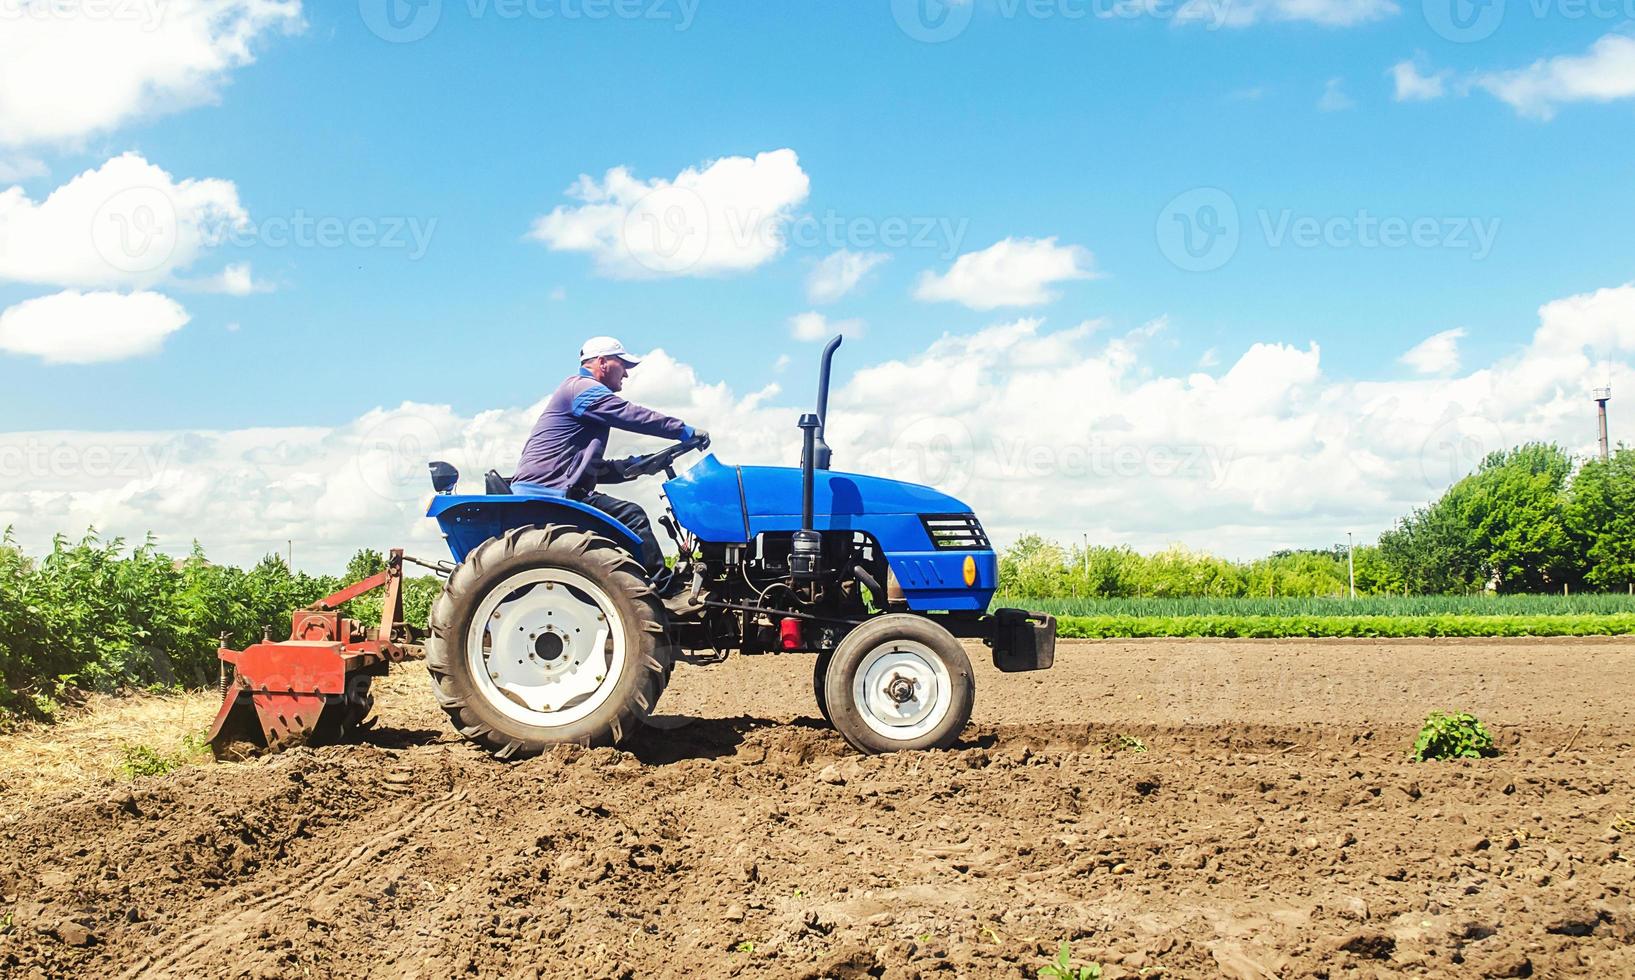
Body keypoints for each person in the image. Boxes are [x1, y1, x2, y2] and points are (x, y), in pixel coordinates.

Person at [511, 336, 706, 570]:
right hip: (551, 492)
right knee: (633, 516)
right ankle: (666, 590)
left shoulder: (579, 394)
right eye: (622, 365)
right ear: (602, 362)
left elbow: (593, 468)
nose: (626, 374)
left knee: (626, 517)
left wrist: (641, 465)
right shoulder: (582, 389)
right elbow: (631, 415)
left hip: (555, 486)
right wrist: (683, 430)